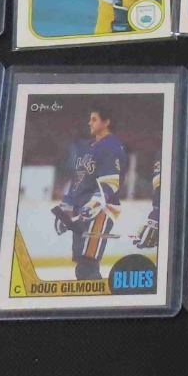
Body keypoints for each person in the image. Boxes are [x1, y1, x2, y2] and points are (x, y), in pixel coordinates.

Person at [51, 106, 126, 280]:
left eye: (94, 119)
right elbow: (77, 182)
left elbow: (111, 182)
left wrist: (94, 204)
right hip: (81, 210)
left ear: (106, 122)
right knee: (81, 266)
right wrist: (66, 209)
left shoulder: (112, 146)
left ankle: (97, 297)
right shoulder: (85, 148)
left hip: (101, 211)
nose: (89, 123)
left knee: (87, 265)